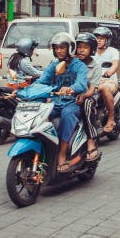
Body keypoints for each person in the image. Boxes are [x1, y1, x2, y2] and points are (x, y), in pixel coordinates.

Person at [35, 32, 88, 173]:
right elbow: (42, 80)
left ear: (69, 48)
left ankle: (62, 153)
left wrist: (71, 89)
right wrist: (25, 88)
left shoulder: (79, 66)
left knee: (67, 114)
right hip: (55, 102)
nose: (58, 51)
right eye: (56, 48)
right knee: (37, 113)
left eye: (62, 48)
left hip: (71, 103)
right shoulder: (54, 65)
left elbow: (82, 84)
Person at [74, 33, 102, 163]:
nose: (81, 49)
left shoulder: (95, 67)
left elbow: (91, 89)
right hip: (71, 95)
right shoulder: (72, 62)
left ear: (92, 49)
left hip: (89, 96)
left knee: (86, 104)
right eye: (79, 46)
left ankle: (91, 141)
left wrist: (83, 95)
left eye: (85, 47)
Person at [92, 26, 120, 133]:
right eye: (96, 38)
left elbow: (115, 65)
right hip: (94, 81)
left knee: (104, 88)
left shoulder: (113, 51)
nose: (98, 40)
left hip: (109, 81)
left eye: (101, 38)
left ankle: (111, 119)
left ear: (107, 40)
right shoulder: (91, 51)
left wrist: (109, 72)